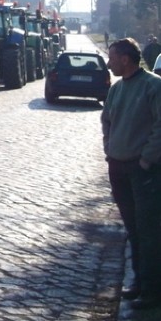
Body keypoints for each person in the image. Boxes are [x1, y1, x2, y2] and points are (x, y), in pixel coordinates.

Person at [101, 37, 161, 310]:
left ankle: (152, 292)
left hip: (142, 170)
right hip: (118, 168)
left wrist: (147, 160)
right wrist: (109, 150)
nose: (109, 62)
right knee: (133, 230)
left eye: (112, 57)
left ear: (125, 59)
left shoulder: (153, 86)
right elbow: (107, 121)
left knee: (149, 231)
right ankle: (138, 282)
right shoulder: (116, 89)